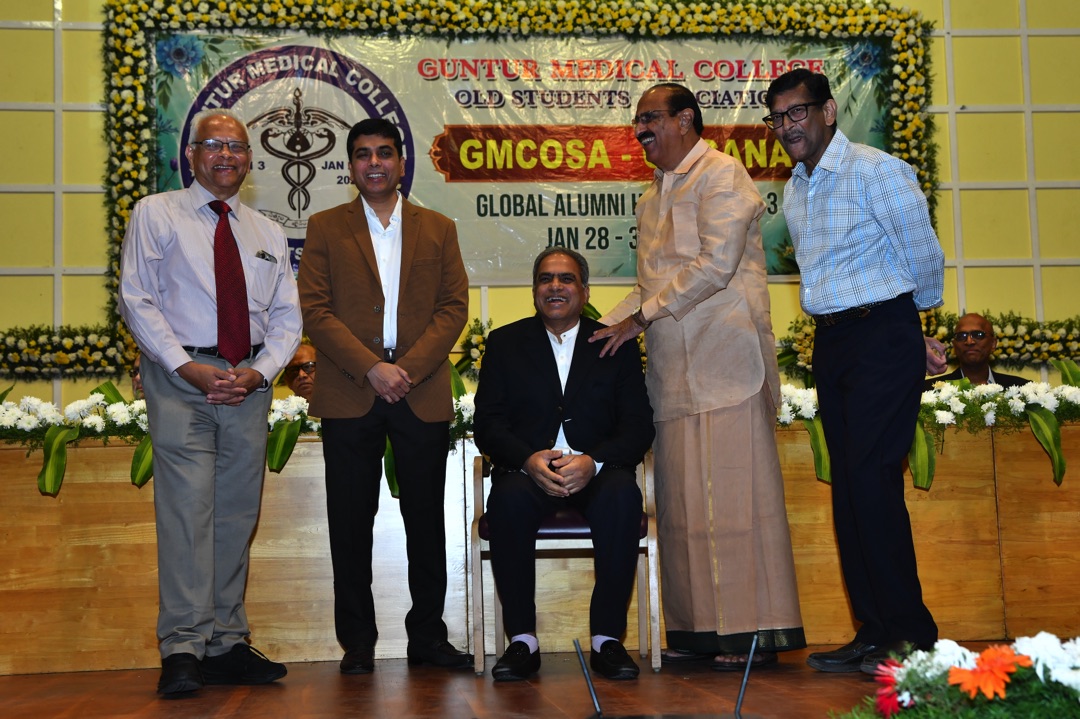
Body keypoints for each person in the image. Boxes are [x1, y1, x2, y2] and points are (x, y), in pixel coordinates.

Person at [590, 83, 806, 671]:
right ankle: (697, 632)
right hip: (672, 373)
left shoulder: (722, 175)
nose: (640, 130)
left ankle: (750, 632)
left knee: (736, 505)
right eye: (636, 121)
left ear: (686, 119)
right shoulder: (650, 198)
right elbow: (648, 287)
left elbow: (716, 265)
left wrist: (638, 319)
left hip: (726, 363)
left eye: (650, 118)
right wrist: (593, 331)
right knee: (683, 509)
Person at [763, 68, 947, 675]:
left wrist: (911, 327)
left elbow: (923, 254)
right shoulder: (796, 187)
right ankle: (873, 629)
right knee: (849, 488)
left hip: (881, 335)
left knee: (872, 480)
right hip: (833, 342)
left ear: (828, 111)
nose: (787, 126)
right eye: (777, 117)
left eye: (797, 112)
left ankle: (911, 635)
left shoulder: (877, 171)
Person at [119, 109, 302, 697]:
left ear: (250, 162)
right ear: (192, 155)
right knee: (187, 512)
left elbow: (287, 316)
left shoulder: (267, 231)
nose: (227, 154)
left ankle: (225, 642)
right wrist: (187, 367)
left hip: (246, 385)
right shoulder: (156, 212)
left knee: (236, 514)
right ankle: (182, 646)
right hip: (181, 379)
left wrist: (260, 372)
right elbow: (137, 298)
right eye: (214, 144)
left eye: (238, 147)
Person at [298, 118, 471, 675]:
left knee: (426, 520)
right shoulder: (325, 227)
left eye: (384, 153)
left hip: (420, 390)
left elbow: (453, 308)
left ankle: (428, 636)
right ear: (350, 166)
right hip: (350, 389)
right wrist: (372, 368)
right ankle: (357, 642)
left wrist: (407, 370)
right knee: (350, 522)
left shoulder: (438, 228)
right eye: (363, 154)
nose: (374, 163)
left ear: (401, 162)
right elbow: (315, 310)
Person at [474, 248, 656, 682]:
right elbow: (488, 424)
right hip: (528, 473)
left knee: (622, 495)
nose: (555, 286)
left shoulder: (614, 343)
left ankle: (607, 640)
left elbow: (638, 426)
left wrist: (594, 461)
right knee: (507, 499)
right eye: (546, 278)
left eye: (566, 279)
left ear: (585, 291)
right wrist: (526, 459)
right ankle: (523, 641)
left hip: (596, 472)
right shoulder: (505, 344)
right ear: (534, 290)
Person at [925, 313, 1027, 389]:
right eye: (961, 336)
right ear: (954, 345)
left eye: (978, 335)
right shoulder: (929, 390)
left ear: (993, 344)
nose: (969, 341)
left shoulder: (1021, 389)